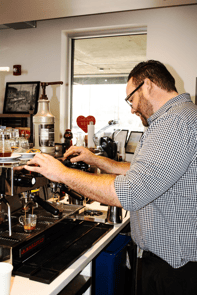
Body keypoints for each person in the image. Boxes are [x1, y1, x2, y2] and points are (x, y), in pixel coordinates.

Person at [24, 60, 197, 295]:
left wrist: (60, 173)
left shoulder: (173, 123)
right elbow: (143, 171)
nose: (132, 109)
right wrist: (95, 160)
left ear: (147, 85)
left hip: (174, 269)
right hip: (172, 262)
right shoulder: (181, 117)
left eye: (131, 99)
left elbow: (131, 192)